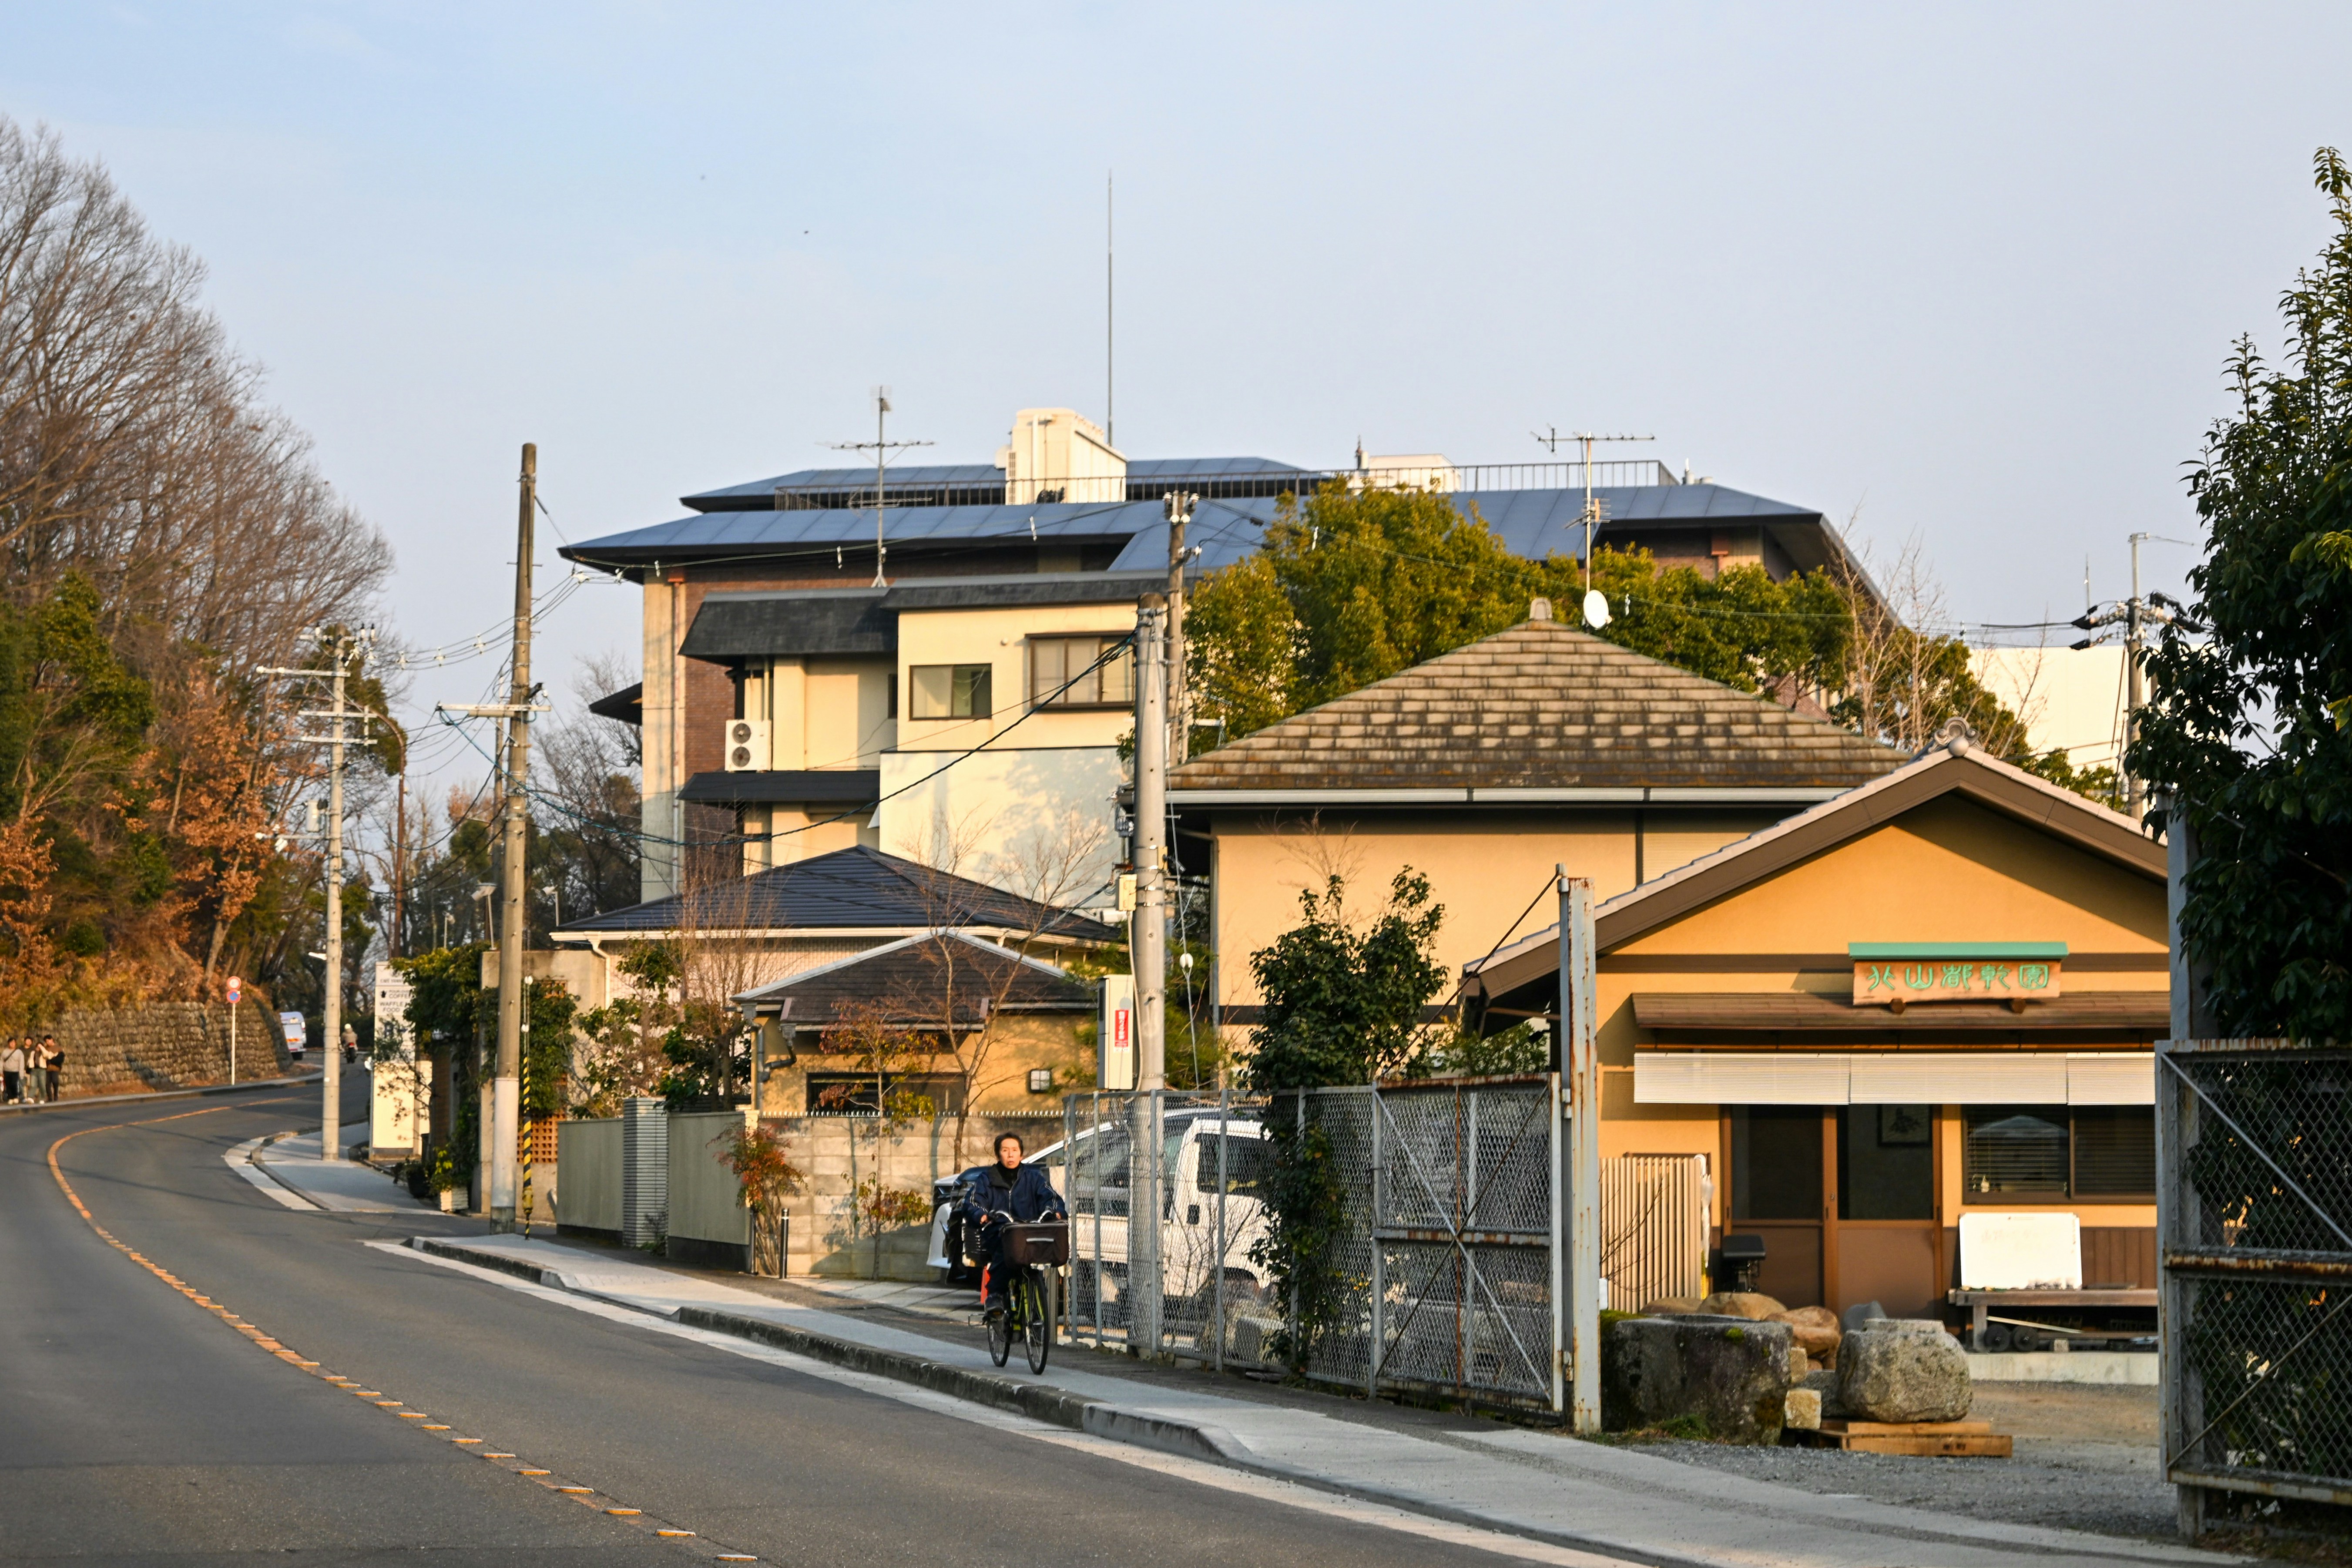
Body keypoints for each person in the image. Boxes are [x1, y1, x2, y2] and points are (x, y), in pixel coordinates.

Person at [956, 1132, 1067, 1315]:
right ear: (998, 1154)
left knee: (1035, 1264)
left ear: (1021, 1154)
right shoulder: (987, 1179)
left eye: (1015, 1150)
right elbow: (973, 1202)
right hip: (998, 1230)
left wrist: (1055, 1212)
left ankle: (1038, 1308)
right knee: (1004, 1252)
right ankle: (995, 1295)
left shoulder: (1034, 1178)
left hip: (1028, 1231)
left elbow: (1051, 1197)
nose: (1010, 1155)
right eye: (1005, 1150)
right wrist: (982, 1215)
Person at [41, 1036, 61, 1102]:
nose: (48, 1043)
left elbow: (61, 1057)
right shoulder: (45, 1048)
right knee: (47, 1084)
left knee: (55, 1082)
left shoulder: (58, 1048)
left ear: (52, 1040)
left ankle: (56, 1095)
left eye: (48, 1041)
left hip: (55, 1068)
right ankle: (50, 1097)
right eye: (46, 1041)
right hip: (47, 1069)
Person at [1, 1037, 20, 1104]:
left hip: (16, 1071)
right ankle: (11, 1098)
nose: (12, 1044)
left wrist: (21, 1072)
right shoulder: (5, 1052)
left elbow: (21, 1062)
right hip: (7, 1071)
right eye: (11, 1043)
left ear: (16, 1044)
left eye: (14, 1043)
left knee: (14, 1084)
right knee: (8, 1085)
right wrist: (1, 1071)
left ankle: (15, 1096)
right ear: (9, 1044)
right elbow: (1, 1062)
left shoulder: (19, 1052)